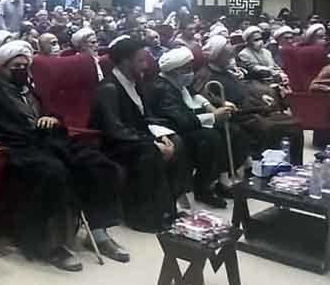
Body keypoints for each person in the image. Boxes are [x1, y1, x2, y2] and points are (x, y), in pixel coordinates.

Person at [0, 41, 128, 270]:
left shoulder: (29, 88)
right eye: (16, 66)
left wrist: (52, 118)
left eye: (25, 66)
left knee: (99, 164)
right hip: (19, 148)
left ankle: (98, 232)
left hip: (50, 141)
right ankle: (46, 243)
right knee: (52, 173)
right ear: (2, 67)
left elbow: (50, 112)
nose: (21, 70)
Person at [91, 40, 187, 232]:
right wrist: (153, 143)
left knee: (176, 141)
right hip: (115, 145)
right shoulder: (108, 88)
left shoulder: (135, 83)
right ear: (125, 61)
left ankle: (169, 207)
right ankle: (144, 217)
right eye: (141, 61)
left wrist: (161, 135)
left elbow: (144, 118)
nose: (146, 66)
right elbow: (115, 130)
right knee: (151, 152)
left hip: (136, 139)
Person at [145, 47, 234, 208]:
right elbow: (181, 121)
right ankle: (202, 187)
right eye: (187, 69)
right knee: (210, 138)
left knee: (231, 130)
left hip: (187, 119)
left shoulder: (177, 81)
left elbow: (193, 94)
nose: (191, 73)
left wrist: (210, 107)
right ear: (174, 70)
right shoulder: (162, 88)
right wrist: (214, 116)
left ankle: (221, 180)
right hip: (169, 128)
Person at [194, 35, 304, 166]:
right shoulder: (205, 75)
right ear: (218, 55)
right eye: (228, 55)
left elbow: (242, 88)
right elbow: (200, 96)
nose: (231, 58)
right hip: (238, 116)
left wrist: (261, 96)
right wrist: (221, 103)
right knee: (273, 128)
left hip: (251, 108)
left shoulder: (226, 71)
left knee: (295, 123)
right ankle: (264, 167)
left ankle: (295, 166)